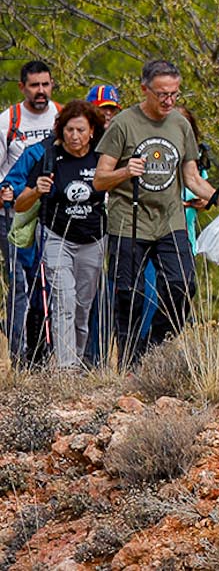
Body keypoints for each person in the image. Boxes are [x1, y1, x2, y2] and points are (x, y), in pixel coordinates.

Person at [94, 59, 219, 364]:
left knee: (183, 284)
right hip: (129, 220)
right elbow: (99, 179)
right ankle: (130, 359)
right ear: (144, 89)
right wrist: (124, 172)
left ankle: (153, 347)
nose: (169, 101)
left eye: (174, 94)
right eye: (162, 94)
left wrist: (218, 196)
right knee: (127, 294)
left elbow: (192, 178)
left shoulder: (180, 124)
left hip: (170, 220)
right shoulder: (123, 124)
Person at [12, 100, 106, 370]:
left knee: (82, 307)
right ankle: (65, 368)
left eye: (80, 130)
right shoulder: (49, 158)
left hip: (93, 239)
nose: (74, 136)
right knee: (63, 301)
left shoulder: (101, 158)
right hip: (57, 237)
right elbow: (20, 204)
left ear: (91, 131)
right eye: (68, 130)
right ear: (60, 130)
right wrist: (36, 190)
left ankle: (76, 359)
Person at [2, 59, 60, 362]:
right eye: (34, 85)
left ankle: (48, 351)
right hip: (14, 216)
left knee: (50, 283)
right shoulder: (8, 121)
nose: (41, 91)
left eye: (45, 84)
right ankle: (19, 353)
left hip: (55, 215)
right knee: (21, 285)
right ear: (22, 87)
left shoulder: (63, 117)